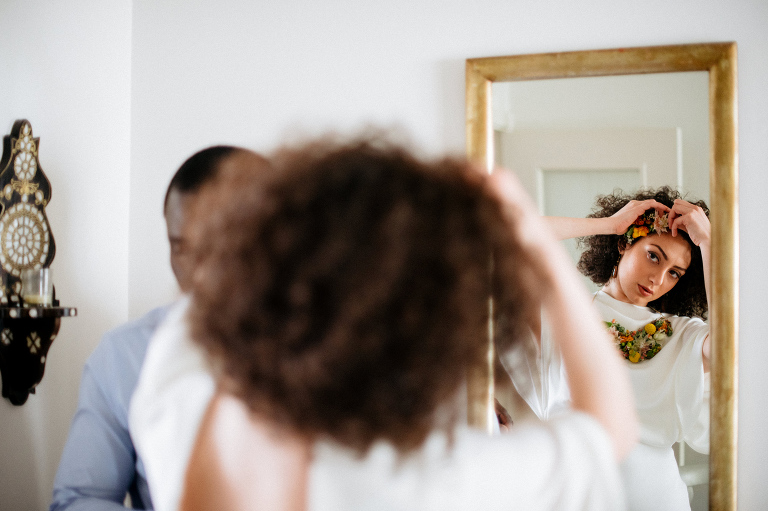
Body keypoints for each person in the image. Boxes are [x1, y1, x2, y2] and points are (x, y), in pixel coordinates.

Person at [129, 137, 638, 511]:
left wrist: (278, 223)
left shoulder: (179, 397)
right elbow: (609, 424)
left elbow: (219, 291)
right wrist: (527, 235)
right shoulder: (445, 483)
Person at [50, 145, 263, 510]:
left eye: (219, 248)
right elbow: (80, 499)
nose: (198, 273)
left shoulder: (333, 353)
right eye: (180, 248)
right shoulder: (124, 357)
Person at [501, 186, 711, 511]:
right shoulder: (567, 317)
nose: (658, 278)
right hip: (576, 496)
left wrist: (708, 243)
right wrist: (611, 224)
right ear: (625, 243)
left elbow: (733, 352)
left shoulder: (681, 335)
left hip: (657, 499)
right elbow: (508, 232)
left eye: (674, 273)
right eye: (653, 255)